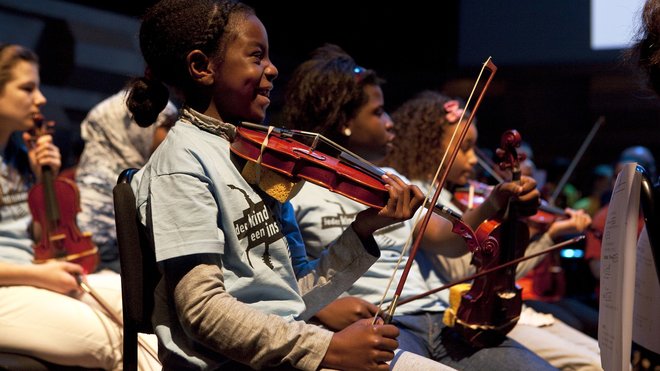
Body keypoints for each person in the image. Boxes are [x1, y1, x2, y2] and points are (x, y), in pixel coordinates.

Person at [126, 1, 429, 370]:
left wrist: (362, 231)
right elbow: (201, 310)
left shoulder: (257, 158)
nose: (272, 68)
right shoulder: (182, 163)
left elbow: (291, 294)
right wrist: (327, 348)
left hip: (280, 354)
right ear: (202, 67)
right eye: (257, 57)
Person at [282, 44, 560, 370]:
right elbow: (283, 275)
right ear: (344, 120)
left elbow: (446, 238)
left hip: (439, 319)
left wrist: (495, 200)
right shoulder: (294, 190)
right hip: (381, 323)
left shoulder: (393, 180)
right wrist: (319, 308)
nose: (390, 123)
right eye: (377, 112)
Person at [385, 90, 602, 370]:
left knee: (596, 356)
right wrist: (546, 235)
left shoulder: (454, 198)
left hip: (490, 312)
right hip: (465, 314)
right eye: (464, 148)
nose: (474, 160)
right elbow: (471, 271)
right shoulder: (421, 199)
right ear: (429, 146)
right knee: (590, 363)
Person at [0, 43, 159, 370]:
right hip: (12, 284)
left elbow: (38, 234)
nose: (41, 99)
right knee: (116, 343)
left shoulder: (17, 153)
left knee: (141, 306)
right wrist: (40, 275)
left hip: (31, 273)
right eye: (27, 88)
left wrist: (45, 182)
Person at [76, 89, 177, 273]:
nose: (174, 135)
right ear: (135, 129)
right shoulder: (93, 192)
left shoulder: (151, 178)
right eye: (167, 125)